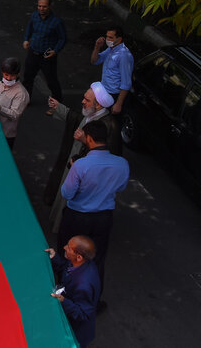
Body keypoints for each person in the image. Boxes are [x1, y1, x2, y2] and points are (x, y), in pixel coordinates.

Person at [56, 119, 129, 300]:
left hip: (77, 217)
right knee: (97, 258)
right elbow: (120, 187)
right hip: (103, 218)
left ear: (88, 138)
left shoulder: (81, 165)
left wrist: (73, 168)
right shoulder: (122, 164)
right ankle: (92, 299)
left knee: (69, 254)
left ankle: (63, 293)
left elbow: (67, 193)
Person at [44, 82, 123, 205]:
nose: (82, 101)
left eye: (87, 100)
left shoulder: (109, 126)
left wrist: (85, 141)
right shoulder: (91, 113)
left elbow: (107, 156)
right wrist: (58, 107)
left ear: (98, 104)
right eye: (84, 98)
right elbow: (76, 117)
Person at [47, 236, 101, 347]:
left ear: (79, 257)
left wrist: (63, 301)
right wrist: (55, 258)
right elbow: (66, 268)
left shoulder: (84, 285)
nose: (64, 247)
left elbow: (83, 314)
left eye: (68, 247)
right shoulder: (81, 263)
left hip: (75, 331)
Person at [22, 0, 67, 111]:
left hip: (47, 56)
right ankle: (26, 100)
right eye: (39, 6)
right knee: (27, 78)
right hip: (33, 52)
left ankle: (57, 105)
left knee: (51, 81)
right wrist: (26, 39)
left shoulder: (56, 22)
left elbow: (62, 38)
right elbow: (29, 28)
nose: (41, 9)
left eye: (44, 6)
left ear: (50, 6)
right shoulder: (34, 16)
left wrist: (55, 50)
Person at [0, 57, 30, 149]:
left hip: (5, 134)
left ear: (18, 74)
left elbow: (15, 114)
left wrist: (0, 108)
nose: (9, 78)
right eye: (6, 75)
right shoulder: (1, 83)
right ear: (2, 72)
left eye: (12, 76)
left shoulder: (21, 94)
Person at [90, 26, 133, 114]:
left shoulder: (124, 55)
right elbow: (95, 61)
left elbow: (126, 83)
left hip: (113, 95)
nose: (107, 39)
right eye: (107, 36)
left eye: (111, 37)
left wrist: (118, 104)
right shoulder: (110, 49)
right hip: (104, 90)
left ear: (119, 39)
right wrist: (97, 47)